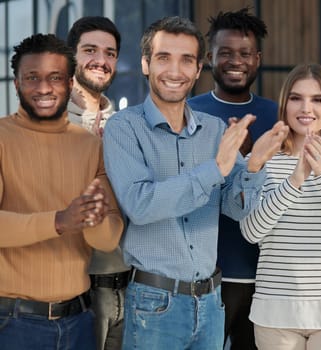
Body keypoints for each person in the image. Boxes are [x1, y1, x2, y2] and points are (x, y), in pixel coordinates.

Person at [102, 16, 288, 350]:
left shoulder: (214, 129)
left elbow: (234, 208)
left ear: (198, 68)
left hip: (211, 303)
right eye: (163, 58)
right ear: (145, 64)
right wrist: (215, 170)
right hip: (154, 304)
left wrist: (255, 165)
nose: (175, 71)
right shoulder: (124, 127)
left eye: (186, 60)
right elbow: (141, 205)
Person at [0, 33, 123, 350]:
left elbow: (109, 238)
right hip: (14, 323)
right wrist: (59, 221)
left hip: (81, 321)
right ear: (16, 84)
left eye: (55, 78)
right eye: (32, 78)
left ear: (70, 83)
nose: (43, 88)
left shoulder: (90, 145)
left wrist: (94, 221)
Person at [240, 63, 321, 350]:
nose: (306, 108)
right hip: (275, 313)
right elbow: (251, 231)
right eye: (296, 98)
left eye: (317, 99)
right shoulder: (262, 158)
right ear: (285, 104)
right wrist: (296, 179)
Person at [187, 7, 276, 350]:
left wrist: (254, 160)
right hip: (208, 276)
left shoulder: (277, 114)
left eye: (244, 53)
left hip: (268, 277)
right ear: (209, 57)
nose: (235, 61)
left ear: (258, 58)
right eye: (225, 53)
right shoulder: (191, 113)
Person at [66, 16, 129, 350]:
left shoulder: (125, 126)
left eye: (110, 53)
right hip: (74, 292)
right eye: (90, 50)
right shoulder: (50, 122)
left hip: (128, 286)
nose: (101, 61)